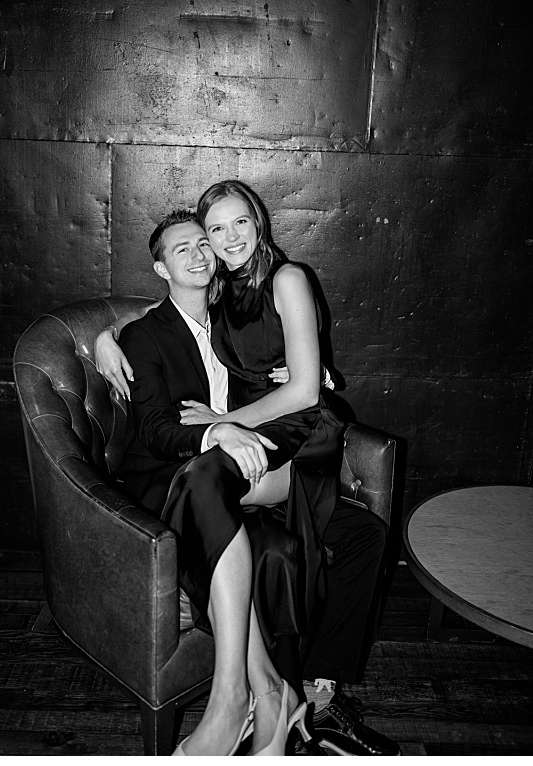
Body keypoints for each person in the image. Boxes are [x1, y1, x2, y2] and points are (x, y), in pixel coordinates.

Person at [98, 187, 397, 756]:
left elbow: (304, 387)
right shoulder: (184, 313)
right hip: (226, 452)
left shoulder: (273, 284)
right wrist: (105, 336)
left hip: (287, 437)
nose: (215, 245)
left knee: (210, 481)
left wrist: (226, 420)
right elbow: (152, 341)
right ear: (165, 265)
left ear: (257, 224)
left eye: (234, 226)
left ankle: (268, 695)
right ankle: (272, 693)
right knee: (342, 530)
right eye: (205, 236)